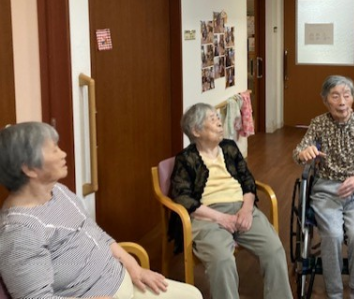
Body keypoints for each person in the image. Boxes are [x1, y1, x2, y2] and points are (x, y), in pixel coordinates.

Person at [0, 122, 202, 299]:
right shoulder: (19, 231)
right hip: (97, 295)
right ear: (29, 169)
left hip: (122, 278)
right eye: (54, 150)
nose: (63, 154)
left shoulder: (58, 191)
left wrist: (135, 269)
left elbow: (96, 233)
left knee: (193, 295)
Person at [169, 103, 292, 299]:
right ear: (196, 131)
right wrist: (220, 218)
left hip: (241, 208)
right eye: (212, 119)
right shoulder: (186, 158)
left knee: (274, 249)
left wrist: (246, 210)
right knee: (223, 260)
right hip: (207, 216)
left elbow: (248, 181)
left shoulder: (229, 147)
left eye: (217, 117)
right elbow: (183, 197)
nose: (219, 122)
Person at [293, 75, 354, 299]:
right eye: (335, 96)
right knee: (332, 235)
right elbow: (298, 152)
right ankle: (334, 293)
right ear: (325, 100)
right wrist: (304, 153)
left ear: (353, 97)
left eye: (346, 95)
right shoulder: (318, 123)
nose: (342, 102)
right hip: (327, 191)